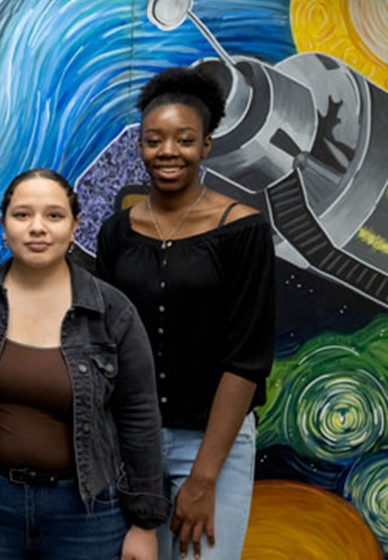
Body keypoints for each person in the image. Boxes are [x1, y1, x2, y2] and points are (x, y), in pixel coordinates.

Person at [96, 66, 276, 560]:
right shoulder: (116, 233)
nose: (168, 152)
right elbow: (106, 344)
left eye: (184, 139)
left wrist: (203, 478)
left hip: (213, 445)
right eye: (154, 140)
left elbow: (247, 359)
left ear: (207, 146)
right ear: (140, 147)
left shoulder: (243, 231)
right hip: (132, 441)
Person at [0, 168, 168, 560]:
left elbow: (140, 415)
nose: (37, 228)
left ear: (75, 225)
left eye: (54, 215)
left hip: (87, 515)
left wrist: (145, 524)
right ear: (4, 225)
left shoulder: (111, 311)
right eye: (22, 215)